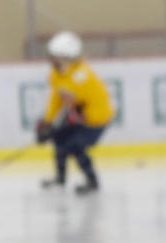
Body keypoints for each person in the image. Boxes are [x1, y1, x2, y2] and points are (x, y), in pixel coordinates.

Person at [35, 30, 114, 195]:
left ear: (66, 57)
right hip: (80, 116)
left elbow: (75, 103)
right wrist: (49, 122)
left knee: (76, 145)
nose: (51, 59)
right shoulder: (56, 74)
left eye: (54, 56)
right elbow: (56, 100)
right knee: (59, 139)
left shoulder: (82, 76)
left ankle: (92, 181)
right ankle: (60, 178)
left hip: (96, 120)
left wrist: (66, 121)